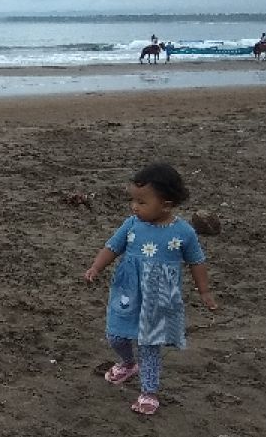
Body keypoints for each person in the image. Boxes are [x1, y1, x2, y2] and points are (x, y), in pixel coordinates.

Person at [83, 162, 217, 416]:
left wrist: (204, 291)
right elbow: (112, 247)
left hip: (159, 295)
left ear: (166, 204)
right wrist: (95, 268)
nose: (134, 207)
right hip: (128, 290)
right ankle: (127, 363)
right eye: (133, 200)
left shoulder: (184, 232)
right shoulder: (132, 224)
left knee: (149, 343)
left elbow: (196, 261)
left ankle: (149, 391)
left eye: (142, 202)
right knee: (116, 334)